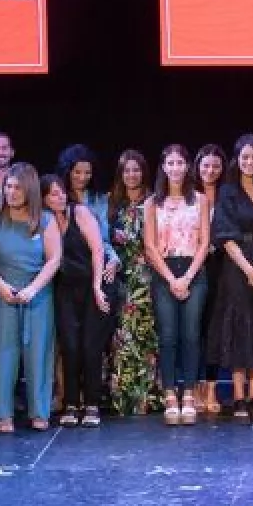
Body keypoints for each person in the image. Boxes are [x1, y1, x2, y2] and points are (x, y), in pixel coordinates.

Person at [0, 162, 61, 432]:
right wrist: (2, 287)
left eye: (17, 188)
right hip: (2, 292)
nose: (11, 193)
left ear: (30, 190)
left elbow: (54, 259)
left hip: (37, 293)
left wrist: (33, 289)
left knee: (38, 352)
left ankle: (39, 411)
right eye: (8, 187)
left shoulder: (45, 220)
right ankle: (2, 412)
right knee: (3, 351)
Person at [209, 135, 253, 424]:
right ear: (237, 160)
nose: (249, 162)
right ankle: (238, 395)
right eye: (244, 157)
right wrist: (249, 269)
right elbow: (224, 235)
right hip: (237, 265)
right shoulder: (228, 191)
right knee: (240, 326)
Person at [143, 145, 212, 426]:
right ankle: (170, 393)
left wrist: (188, 277)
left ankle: (189, 394)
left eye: (180, 163)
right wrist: (172, 279)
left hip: (193, 270)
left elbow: (205, 242)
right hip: (164, 271)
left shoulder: (200, 199)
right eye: (170, 163)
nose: (175, 168)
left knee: (191, 335)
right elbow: (149, 246)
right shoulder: (152, 202)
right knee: (168, 335)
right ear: (163, 167)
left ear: (187, 166)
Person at [45, 172, 111, 429]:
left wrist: (97, 286)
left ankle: (92, 403)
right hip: (64, 289)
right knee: (70, 346)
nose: (60, 196)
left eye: (62, 191)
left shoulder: (79, 212)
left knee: (90, 346)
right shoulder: (46, 220)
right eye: (53, 194)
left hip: (92, 285)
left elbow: (98, 249)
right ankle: (71, 403)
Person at [107, 149, 161, 416]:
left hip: (147, 278)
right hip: (118, 278)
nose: (132, 175)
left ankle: (148, 397)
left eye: (136, 170)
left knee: (146, 336)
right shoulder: (110, 203)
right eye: (127, 170)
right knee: (122, 337)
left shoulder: (154, 201)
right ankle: (122, 398)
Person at [193, 144, 227, 417]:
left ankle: (212, 388)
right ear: (197, 167)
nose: (211, 170)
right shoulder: (188, 194)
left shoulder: (228, 194)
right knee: (194, 329)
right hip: (193, 266)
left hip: (222, 268)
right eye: (206, 165)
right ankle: (195, 387)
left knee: (214, 330)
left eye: (216, 166)